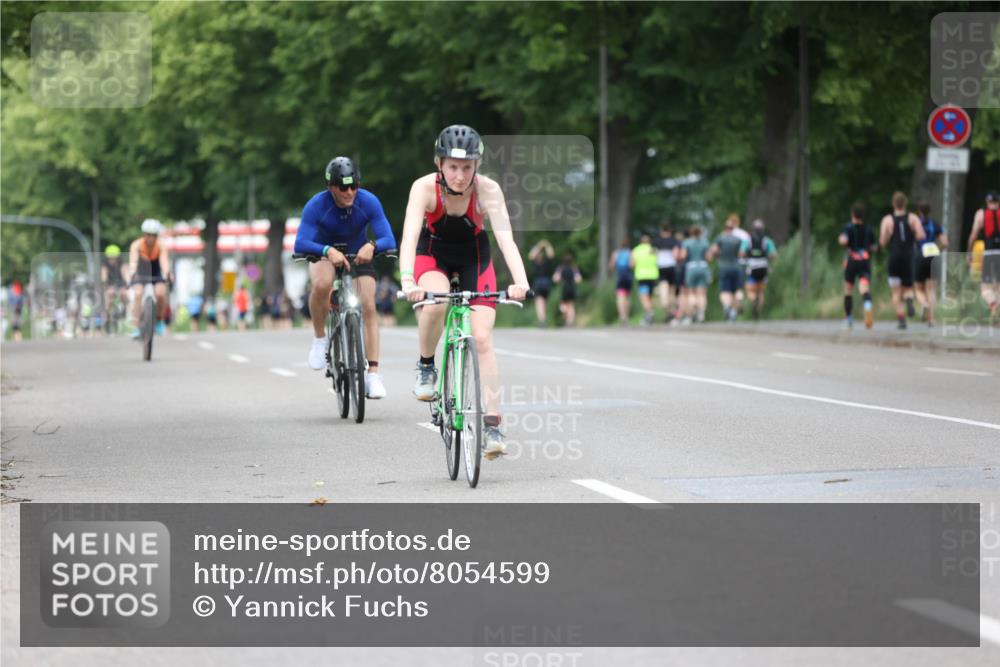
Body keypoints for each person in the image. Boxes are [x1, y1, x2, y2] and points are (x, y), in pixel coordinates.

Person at [399, 125, 529, 460]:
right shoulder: (424, 187)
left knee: (482, 339)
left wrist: (520, 282)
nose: (460, 175)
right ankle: (426, 365)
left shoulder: (489, 190)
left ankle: (493, 426)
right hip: (433, 255)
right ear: (439, 164)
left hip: (474, 257)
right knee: (435, 303)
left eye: (467, 167)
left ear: (477, 166)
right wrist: (408, 281)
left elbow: (506, 240)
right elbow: (409, 237)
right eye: (453, 167)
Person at [294, 156, 397, 399]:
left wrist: (372, 245)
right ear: (330, 186)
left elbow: (389, 239)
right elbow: (301, 242)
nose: (349, 192)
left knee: (368, 304)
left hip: (357, 254)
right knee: (321, 285)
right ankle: (320, 339)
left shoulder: (368, 201)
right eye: (343, 188)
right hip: (324, 252)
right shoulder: (316, 205)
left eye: (354, 186)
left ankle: (373, 375)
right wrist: (326, 250)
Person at [879, 192, 925, 330]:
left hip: (894, 256)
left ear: (893, 204)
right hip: (909, 256)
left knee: (896, 291)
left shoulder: (887, 220)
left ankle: (901, 319)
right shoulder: (912, 218)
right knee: (908, 288)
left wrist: (889, 236)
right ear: (905, 204)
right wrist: (911, 236)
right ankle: (909, 300)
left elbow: (882, 242)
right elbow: (921, 235)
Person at [127, 218, 172, 337]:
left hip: (155, 271)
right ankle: (136, 326)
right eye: (148, 235)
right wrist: (132, 273)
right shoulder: (136, 245)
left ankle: (159, 320)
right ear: (144, 234)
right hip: (141, 271)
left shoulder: (161, 245)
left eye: (154, 235)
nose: (151, 238)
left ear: (157, 235)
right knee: (138, 294)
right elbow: (133, 261)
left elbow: (164, 261)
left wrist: (167, 273)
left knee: (161, 293)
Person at [839, 203, 878, 329]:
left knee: (848, 289)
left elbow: (843, 240)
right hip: (864, 261)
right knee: (864, 289)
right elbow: (874, 247)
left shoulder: (848, 227)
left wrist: (842, 240)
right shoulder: (869, 229)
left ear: (852, 215)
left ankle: (849, 319)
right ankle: (867, 307)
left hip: (852, 260)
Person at [966, 191, 1000, 323]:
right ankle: (996, 311)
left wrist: (969, 252)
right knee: (998, 287)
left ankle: (992, 305)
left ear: (987, 201)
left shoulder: (981, 214)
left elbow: (974, 234)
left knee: (985, 287)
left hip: (989, 254)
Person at [914, 201, 948, 327]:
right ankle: (931, 319)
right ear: (930, 211)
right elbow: (945, 242)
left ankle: (924, 304)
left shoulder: (915, 223)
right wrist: (937, 249)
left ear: (919, 211)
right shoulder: (935, 224)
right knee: (931, 290)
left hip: (920, 255)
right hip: (933, 255)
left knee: (918, 288)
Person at [707, 215, 744, 321]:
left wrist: (716, 256)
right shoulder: (738, 239)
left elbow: (713, 251)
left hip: (724, 267)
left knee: (725, 291)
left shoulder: (720, 238)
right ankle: (735, 309)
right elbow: (742, 254)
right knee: (737, 290)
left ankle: (727, 307)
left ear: (725, 228)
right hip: (736, 267)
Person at [740, 220, 778, 320]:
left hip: (752, 268)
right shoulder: (767, 241)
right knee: (760, 292)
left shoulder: (747, 241)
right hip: (763, 268)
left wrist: (747, 256)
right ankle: (758, 312)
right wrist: (767, 258)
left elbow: (741, 253)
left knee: (750, 290)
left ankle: (753, 300)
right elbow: (774, 255)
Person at [680, 225, 710, 324]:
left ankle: (692, 311)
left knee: (691, 293)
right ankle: (701, 313)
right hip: (703, 267)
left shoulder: (687, 242)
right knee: (702, 293)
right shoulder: (705, 242)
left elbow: (683, 256)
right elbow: (708, 257)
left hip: (691, 268)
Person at [652, 224, 680, 322]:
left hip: (661, 267)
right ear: (670, 231)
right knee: (671, 291)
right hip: (671, 267)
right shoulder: (674, 240)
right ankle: (672, 311)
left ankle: (666, 308)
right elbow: (676, 254)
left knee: (663, 289)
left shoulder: (656, 241)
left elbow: (653, 253)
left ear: (661, 231)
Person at [631, 233, 659, 325]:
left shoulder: (636, 250)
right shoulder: (653, 249)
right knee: (650, 296)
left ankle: (649, 313)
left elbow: (632, 264)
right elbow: (658, 261)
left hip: (642, 276)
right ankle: (650, 314)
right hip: (653, 275)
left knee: (644, 296)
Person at [101, 244, 128, 332]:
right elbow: (104, 275)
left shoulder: (122, 263)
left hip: (120, 284)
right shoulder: (105, 264)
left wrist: (126, 282)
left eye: (114, 258)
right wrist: (105, 284)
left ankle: (125, 311)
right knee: (109, 295)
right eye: (110, 258)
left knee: (124, 294)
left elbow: (125, 273)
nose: (112, 260)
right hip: (110, 284)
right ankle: (107, 317)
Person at [528, 239, 554, 327]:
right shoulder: (536, 261)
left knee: (541, 302)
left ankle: (542, 319)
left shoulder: (545, 261)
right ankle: (542, 320)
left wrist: (545, 244)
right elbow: (531, 255)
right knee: (540, 301)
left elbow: (551, 254)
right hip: (541, 282)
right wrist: (540, 245)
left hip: (542, 282)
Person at [552, 252, 582, 327]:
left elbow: (555, 278)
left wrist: (561, 280)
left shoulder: (561, 268)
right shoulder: (574, 268)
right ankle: (569, 321)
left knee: (563, 305)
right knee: (571, 305)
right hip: (572, 287)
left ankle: (567, 319)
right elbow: (578, 279)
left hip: (564, 288)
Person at [608, 239, 633, 324]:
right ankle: (626, 316)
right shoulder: (630, 253)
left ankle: (622, 316)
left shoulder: (616, 253)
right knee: (627, 297)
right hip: (628, 277)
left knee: (620, 297)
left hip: (620, 277)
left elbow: (612, 266)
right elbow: (632, 265)